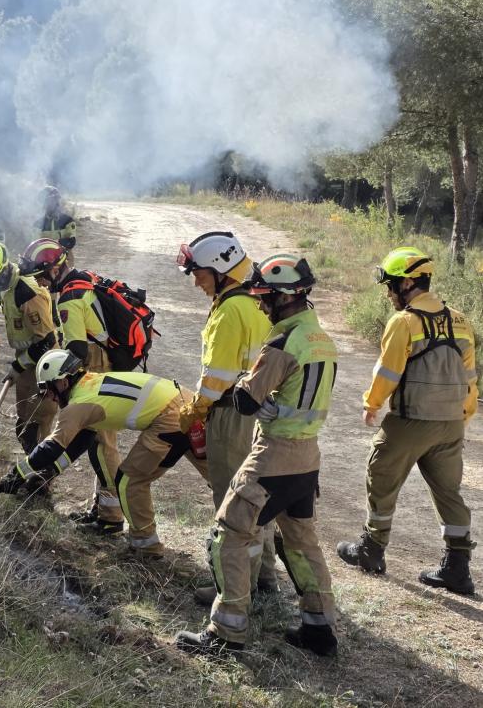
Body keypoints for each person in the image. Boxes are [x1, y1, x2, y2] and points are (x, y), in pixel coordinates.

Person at [175, 255, 338, 657]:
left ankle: (226, 632)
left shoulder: (282, 343)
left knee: (228, 533)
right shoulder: (321, 338)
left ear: (284, 297)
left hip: (274, 456)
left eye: (265, 297)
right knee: (301, 543)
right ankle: (319, 629)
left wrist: (242, 386)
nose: (261, 305)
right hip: (308, 459)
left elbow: (246, 401)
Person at [337, 247, 476, 596]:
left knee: (381, 476)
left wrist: (371, 404)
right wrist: (463, 415)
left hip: (411, 420)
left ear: (408, 283)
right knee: (448, 492)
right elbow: (470, 377)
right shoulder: (460, 320)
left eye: (391, 285)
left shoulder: (404, 322)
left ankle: (371, 550)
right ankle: (458, 569)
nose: (388, 293)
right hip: (451, 423)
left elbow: (388, 371)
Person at [0, 349, 209, 557]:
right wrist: (51, 471)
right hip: (188, 403)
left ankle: (146, 549)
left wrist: (16, 475)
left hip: (170, 418)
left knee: (129, 480)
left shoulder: (77, 405)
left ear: (63, 382)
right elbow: (82, 441)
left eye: (49, 389)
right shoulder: (92, 382)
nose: (50, 397)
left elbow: (52, 446)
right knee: (220, 481)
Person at [176, 231, 278, 603]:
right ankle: (263, 577)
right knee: (258, 499)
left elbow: (216, 378)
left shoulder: (230, 311)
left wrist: (194, 410)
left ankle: (236, 588)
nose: (196, 282)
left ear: (220, 269)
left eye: (199, 273)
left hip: (231, 415)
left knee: (233, 504)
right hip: (262, 413)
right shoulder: (257, 300)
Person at [20, 238, 123, 534]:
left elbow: (76, 350)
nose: (39, 282)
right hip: (104, 361)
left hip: (97, 366)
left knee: (102, 446)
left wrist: (59, 383)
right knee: (97, 443)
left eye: (40, 275)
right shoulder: (83, 279)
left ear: (53, 269)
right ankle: (101, 509)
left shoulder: (68, 298)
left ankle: (112, 519)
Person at [0, 241, 57, 452]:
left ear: (2, 272)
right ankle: (30, 463)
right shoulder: (9, 287)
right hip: (27, 357)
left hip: (46, 362)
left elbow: (46, 341)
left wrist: (18, 366)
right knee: (23, 422)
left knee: (36, 428)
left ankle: (42, 471)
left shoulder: (28, 293)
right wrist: (20, 364)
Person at [38, 186, 76, 266]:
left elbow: (71, 242)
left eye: (53, 201)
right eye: (46, 202)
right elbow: (34, 245)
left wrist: (54, 243)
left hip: (65, 261)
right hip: (45, 262)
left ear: (57, 202)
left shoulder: (68, 220)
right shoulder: (38, 224)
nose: (49, 205)